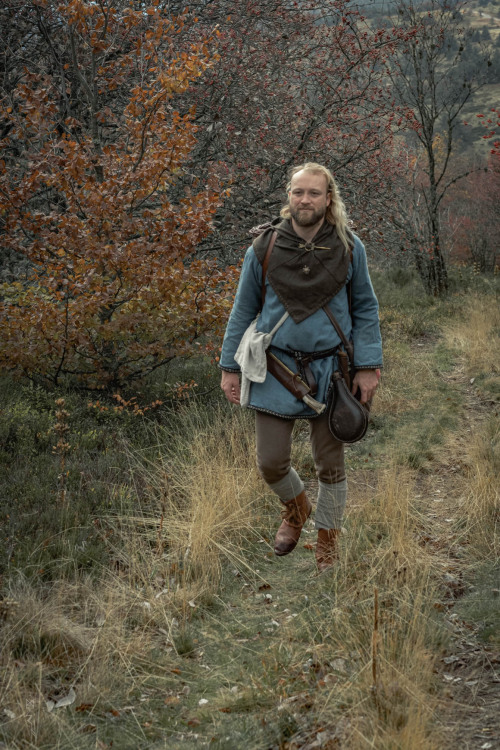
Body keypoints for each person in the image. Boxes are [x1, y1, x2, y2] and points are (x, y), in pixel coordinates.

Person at [219, 163, 382, 572]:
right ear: (288, 197)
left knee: (331, 464)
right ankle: (297, 509)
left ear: (329, 199)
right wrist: (229, 368)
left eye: (313, 193)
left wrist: (367, 366)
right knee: (270, 462)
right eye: (297, 192)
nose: (304, 200)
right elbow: (243, 310)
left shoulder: (349, 246)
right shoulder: (265, 247)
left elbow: (365, 308)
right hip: (276, 369)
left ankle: (327, 539)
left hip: (334, 372)